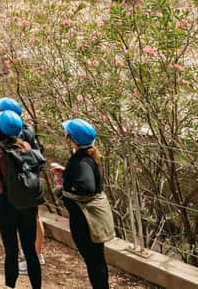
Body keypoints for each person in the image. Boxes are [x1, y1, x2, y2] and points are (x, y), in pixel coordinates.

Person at [0, 97, 45, 272]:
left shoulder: (15, 134)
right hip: (29, 183)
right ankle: (35, 254)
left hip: (17, 186)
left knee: (28, 221)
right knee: (34, 218)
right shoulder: (26, 128)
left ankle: (33, 255)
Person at [60, 119, 112, 289]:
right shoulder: (88, 156)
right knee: (97, 261)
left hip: (85, 222)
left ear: (72, 139)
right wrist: (66, 174)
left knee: (94, 263)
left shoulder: (81, 161)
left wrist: (66, 192)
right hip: (90, 221)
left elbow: (88, 187)